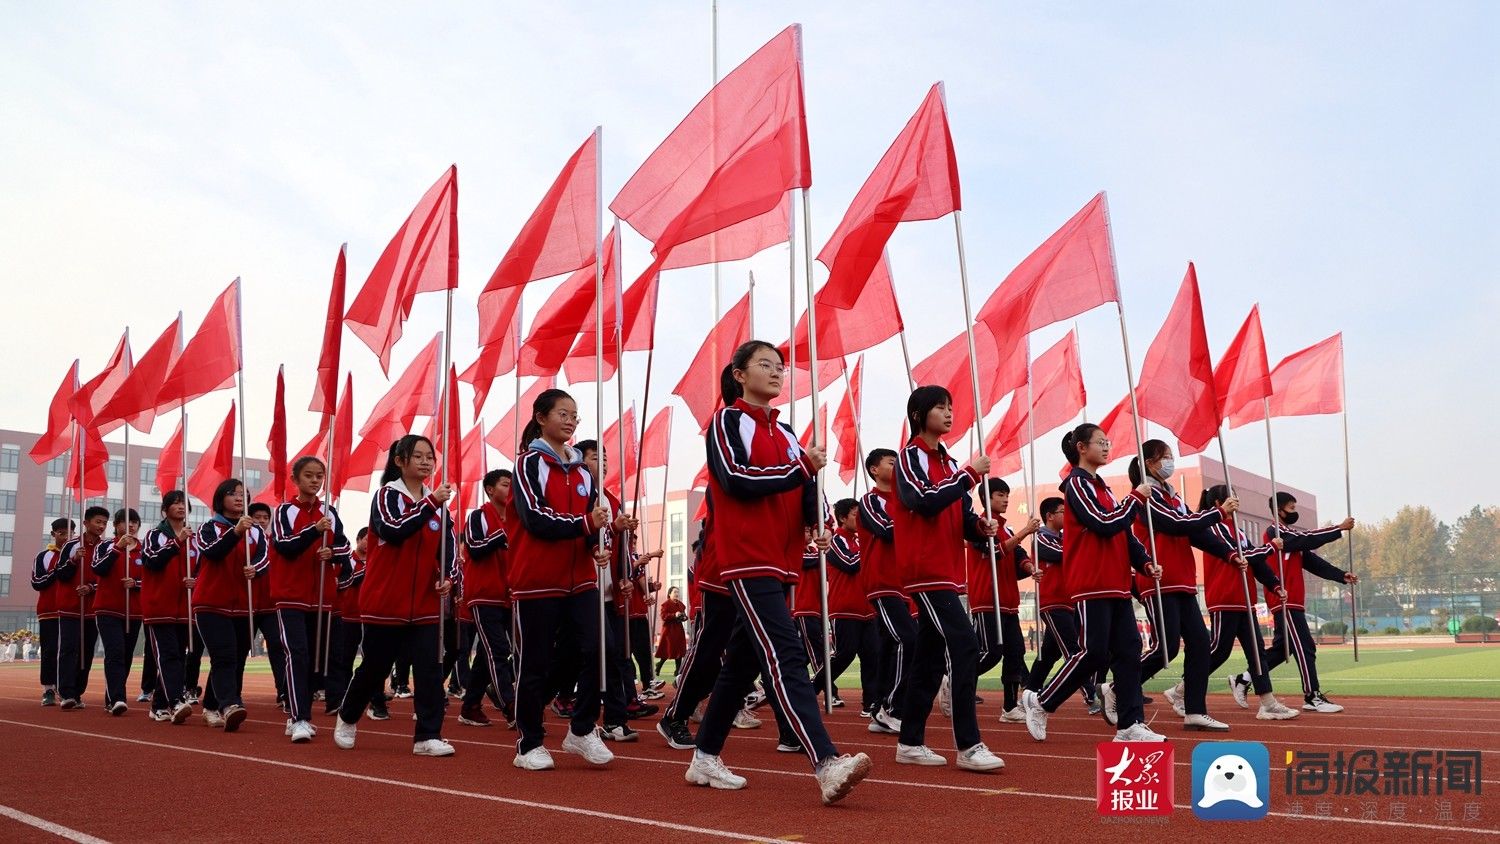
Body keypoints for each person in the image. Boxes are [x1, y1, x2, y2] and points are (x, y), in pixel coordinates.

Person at [688, 340, 872, 805]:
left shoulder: (787, 431)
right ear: (738, 374)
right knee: (786, 653)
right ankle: (826, 762)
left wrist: (813, 516)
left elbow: (805, 484)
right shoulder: (727, 422)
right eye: (764, 365)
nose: (775, 373)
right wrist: (799, 469)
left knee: (745, 661)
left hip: (784, 557)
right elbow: (734, 480)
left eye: (780, 367)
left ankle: (704, 756)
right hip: (748, 555)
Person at [1022, 423, 1164, 743]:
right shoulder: (1076, 485)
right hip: (1092, 581)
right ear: (1081, 448)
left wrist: (1144, 562)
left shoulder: (1104, 488)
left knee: (1129, 651)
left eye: (1108, 441)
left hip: (1115, 581)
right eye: (1100, 442)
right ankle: (1041, 702)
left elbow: (1124, 534)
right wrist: (1135, 499)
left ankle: (1130, 724)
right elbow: (1102, 523)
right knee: (1093, 653)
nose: (1106, 446)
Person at [887, 385, 1004, 772]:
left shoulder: (950, 464)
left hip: (949, 568)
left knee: (929, 659)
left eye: (951, 407)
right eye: (940, 407)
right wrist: (970, 474)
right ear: (920, 415)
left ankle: (910, 741)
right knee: (966, 645)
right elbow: (922, 500)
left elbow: (960, 513)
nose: (950, 413)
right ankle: (969, 745)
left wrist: (978, 526)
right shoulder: (909, 458)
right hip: (925, 569)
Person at [506, 390, 615, 770]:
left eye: (575, 415)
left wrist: (598, 543)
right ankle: (529, 743)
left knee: (596, 650)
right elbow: (535, 519)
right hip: (537, 579)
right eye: (563, 413)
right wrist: (587, 525)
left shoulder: (584, 472)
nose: (570, 421)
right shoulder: (528, 464)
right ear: (541, 417)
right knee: (535, 661)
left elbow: (592, 523)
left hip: (581, 579)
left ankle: (582, 730)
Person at [334, 435, 458, 757]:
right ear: (400, 461)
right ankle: (348, 716)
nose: (426, 462)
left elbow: (448, 548)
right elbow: (394, 529)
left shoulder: (438, 504)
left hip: (425, 604)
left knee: (430, 668)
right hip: (386, 601)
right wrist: (431, 504)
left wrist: (447, 577)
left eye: (429, 456)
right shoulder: (388, 497)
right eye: (417, 456)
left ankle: (427, 736)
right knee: (375, 666)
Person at [1124, 440, 1236, 732]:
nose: (1171, 462)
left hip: (1183, 580)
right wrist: (1219, 513)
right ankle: (1120, 686)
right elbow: (1174, 524)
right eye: (1166, 457)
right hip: (1159, 579)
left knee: (1200, 643)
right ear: (1150, 463)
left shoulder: (1173, 496)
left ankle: (1195, 710)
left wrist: (1228, 552)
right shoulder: (1145, 496)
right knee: (1167, 647)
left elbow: (1194, 532)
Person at [1196, 485, 1301, 720]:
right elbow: (1241, 556)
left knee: (1257, 653)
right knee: (1218, 651)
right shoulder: (1213, 527)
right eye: (1232, 498)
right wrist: (1271, 547)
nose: (1237, 502)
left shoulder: (1239, 531)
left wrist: (1274, 584)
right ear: (1218, 504)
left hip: (1244, 599)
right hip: (1225, 598)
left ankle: (1268, 703)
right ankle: (1183, 689)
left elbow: (1256, 562)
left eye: (1237, 498)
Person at [270, 456, 352, 743]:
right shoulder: (283, 511)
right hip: (290, 595)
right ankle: (299, 717)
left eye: (319, 476)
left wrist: (334, 553)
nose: (315, 481)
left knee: (316, 660)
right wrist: (313, 531)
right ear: (295, 479)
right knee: (298, 654)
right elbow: (283, 545)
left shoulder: (329, 511)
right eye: (309, 476)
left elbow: (344, 544)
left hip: (320, 596)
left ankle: (299, 713)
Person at [1253, 492, 1358, 713]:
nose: (1294, 513)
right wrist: (1338, 528)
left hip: (1294, 600)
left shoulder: (1291, 536)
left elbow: (1313, 562)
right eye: (1291, 508)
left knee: (1284, 648)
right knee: (1305, 645)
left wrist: (1340, 575)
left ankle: (1244, 678)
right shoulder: (1276, 533)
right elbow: (1307, 538)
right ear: (1279, 510)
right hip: (1284, 599)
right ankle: (1312, 695)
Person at [195, 479, 267, 732]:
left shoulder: (256, 531)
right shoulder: (208, 528)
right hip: (211, 603)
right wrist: (236, 532)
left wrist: (255, 569)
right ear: (220, 498)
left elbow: (264, 559)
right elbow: (211, 552)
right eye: (232, 494)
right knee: (224, 655)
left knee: (235, 659)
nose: (239, 498)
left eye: (242, 494)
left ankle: (212, 706)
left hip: (244, 605)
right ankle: (231, 704)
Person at [967, 479, 1038, 724]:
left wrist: (1030, 568)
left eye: (1007, 494)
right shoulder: (979, 526)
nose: (1006, 499)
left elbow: (1018, 557)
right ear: (987, 498)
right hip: (988, 599)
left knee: (1016, 653)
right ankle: (955, 678)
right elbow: (994, 552)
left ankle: (1009, 707)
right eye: (1000, 494)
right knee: (991, 652)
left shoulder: (1006, 528)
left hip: (1008, 601)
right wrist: (1025, 532)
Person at [857, 449, 917, 735]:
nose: (897, 467)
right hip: (882, 582)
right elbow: (884, 530)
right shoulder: (870, 501)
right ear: (873, 469)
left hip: (903, 585)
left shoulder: (904, 502)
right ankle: (891, 708)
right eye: (891, 463)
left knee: (889, 647)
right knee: (909, 640)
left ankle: (878, 707)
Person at [1022, 497, 1099, 713]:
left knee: (1049, 654)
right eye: (1062, 512)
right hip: (1053, 602)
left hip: (1069, 601)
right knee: (1074, 651)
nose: (1067, 516)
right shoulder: (1040, 539)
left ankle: (1030, 691)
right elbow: (1063, 555)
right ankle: (1091, 696)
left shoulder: (1066, 538)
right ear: (1050, 516)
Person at [459, 468, 516, 728]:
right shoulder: (478, 516)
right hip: (484, 594)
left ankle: (470, 706)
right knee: (498, 649)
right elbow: (474, 547)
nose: (511, 489)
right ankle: (511, 705)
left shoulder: (517, 518)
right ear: (491, 490)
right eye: (506, 485)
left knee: (487, 652)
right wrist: (501, 535)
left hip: (509, 593)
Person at [808, 499, 873, 711]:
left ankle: (871, 703)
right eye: (856, 514)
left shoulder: (858, 540)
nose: (860, 518)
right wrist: (869, 546)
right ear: (843, 518)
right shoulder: (836, 540)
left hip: (867, 608)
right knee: (845, 653)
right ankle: (812, 688)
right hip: (845, 607)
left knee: (873, 655)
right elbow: (850, 563)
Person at [140, 491, 196, 725]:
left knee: (179, 657)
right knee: (167, 654)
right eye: (175, 503)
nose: (181, 506)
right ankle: (175, 701)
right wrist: (177, 542)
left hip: (185, 607)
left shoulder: (193, 536)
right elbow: (151, 561)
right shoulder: (155, 535)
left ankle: (159, 705)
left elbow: (201, 566)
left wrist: (195, 580)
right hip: (159, 604)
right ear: (165, 509)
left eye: (184, 503)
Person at [92, 508, 145, 715]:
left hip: (134, 611)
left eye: (134, 522)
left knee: (127, 655)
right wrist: (117, 549)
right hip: (108, 608)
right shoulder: (104, 546)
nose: (130, 525)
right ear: (116, 525)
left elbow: (152, 578)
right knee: (115, 652)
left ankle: (112, 696)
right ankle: (118, 698)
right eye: (125, 522)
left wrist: (136, 583)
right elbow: (98, 568)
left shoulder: (143, 549)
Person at [56, 505, 109, 709]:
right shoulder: (71, 545)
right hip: (71, 607)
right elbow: (60, 573)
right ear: (86, 523)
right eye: (97, 522)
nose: (101, 526)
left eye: (104, 523)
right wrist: (73, 559)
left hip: (92, 608)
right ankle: (67, 693)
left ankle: (78, 692)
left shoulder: (105, 547)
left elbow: (105, 577)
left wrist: (91, 587)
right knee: (69, 649)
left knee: (87, 652)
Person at [32, 518, 73, 707]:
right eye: (61, 533)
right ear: (53, 534)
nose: (66, 537)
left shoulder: (77, 554)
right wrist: (58, 570)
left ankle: (66, 689)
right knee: (50, 651)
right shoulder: (43, 557)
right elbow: (37, 582)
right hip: (49, 610)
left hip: (71, 609)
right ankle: (48, 688)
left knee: (69, 650)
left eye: (70, 533)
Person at [654, 586, 688, 677]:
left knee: (679, 652)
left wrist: (684, 617)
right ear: (670, 594)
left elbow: (684, 616)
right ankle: (659, 666)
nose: (677, 594)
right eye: (675, 592)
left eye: (678, 592)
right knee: (667, 650)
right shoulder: (665, 604)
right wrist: (674, 615)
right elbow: (663, 616)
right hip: (669, 631)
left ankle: (678, 672)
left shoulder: (681, 604)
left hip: (679, 630)